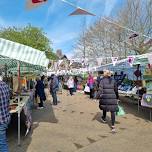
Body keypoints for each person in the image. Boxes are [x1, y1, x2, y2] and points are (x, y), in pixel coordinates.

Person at [0, 75, 10, 152]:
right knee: (3, 143)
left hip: (1, 120)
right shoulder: (5, 85)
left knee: (2, 144)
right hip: (5, 118)